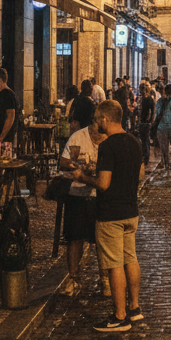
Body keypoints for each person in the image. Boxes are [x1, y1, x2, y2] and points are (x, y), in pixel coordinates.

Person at [71, 100, 145, 332]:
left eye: (97, 119)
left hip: (111, 213)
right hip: (131, 211)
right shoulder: (135, 142)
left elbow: (103, 184)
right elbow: (140, 174)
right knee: (130, 259)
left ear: (105, 119)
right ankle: (134, 308)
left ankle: (119, 316)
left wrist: (83, 177)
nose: (96, 123)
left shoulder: (108, 146)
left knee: (114, 265)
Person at [58, 113, 107, 296]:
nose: (98, 129)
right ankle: (73, 278)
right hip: (77, 193)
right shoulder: (78, 137)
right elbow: (63, 161)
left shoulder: (110, 139)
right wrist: (75, 165)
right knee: (75, 237)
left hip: (100, 195)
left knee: (102, 240)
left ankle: (105, 278)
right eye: (96, 124)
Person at [0, 67, 19, 145]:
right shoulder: (2, 94)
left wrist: (1, 138)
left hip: (5, 139)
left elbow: (10, 116)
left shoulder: (6, 94)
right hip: (4, 138)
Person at [137, 81, 155, 168]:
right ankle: (144, 156)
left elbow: (152, 111)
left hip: (146, 123)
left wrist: (150, 121)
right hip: (142, 122)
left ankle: (146, 157)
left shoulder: (149, 100)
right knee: (142, 140)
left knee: (146, 140)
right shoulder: (142, 99)